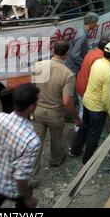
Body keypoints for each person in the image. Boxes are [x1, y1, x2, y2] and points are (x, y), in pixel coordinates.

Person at [30, 41, 82, 187]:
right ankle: (55, 160)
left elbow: (33, 89)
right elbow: (66, 101)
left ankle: (32, 178)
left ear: (54, 50)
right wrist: (76, 118)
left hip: (38, 111)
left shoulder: (38, 66)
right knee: (56, 139)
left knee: (35, 144)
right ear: (66, 54)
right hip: (55, 114)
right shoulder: (68, 74)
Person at [0, 83, 41, 209]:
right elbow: (20, 178)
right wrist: (28, 199)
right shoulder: (31, 140)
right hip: (13, 189)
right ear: (31, 107)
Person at [70, 42, 110, 164]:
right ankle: (87, 160)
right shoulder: (109, 73)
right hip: (97, 109)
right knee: (93, 134)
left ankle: (75, 151)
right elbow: (107, 97)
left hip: (87, 102)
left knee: (84, 128)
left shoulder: (97, 63)